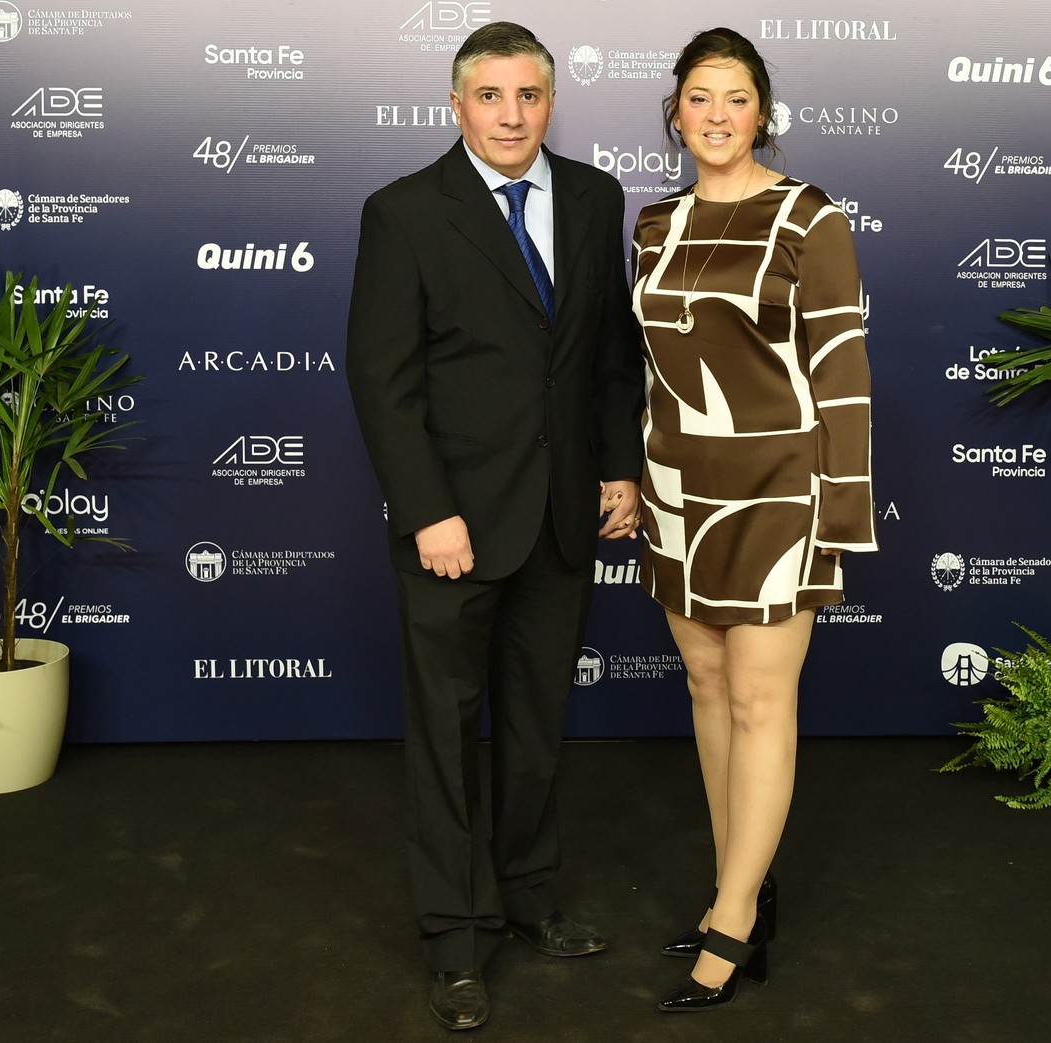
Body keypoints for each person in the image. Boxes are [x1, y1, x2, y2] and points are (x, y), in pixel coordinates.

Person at [345, 21, 645, 1033]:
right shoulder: (402, 213)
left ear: (549, 101)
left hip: (561, 519)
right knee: (444, 736)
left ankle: (525, 898)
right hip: (452, 527)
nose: (511, 115)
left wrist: (616, 465)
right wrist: (429, 508)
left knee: (533, 728)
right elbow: (383, 382)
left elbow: (607, 351)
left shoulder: (598, 199)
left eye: (528, 95)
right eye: (490, 95)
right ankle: (453, 937)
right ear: (456, 103)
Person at [630, 26, 875, 1012]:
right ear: (674, 113)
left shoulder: (808, 220)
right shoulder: (653, 223)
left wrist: (838, 515)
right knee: (705, 683)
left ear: (761, 111)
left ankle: (730, 919)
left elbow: (843, 380)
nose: (716, 115)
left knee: (761, 701)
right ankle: (743, 878)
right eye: (698, 98)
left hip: (780, 487)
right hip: (677, 487)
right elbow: (648, 371)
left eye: (734, 97)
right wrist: (632, 480)